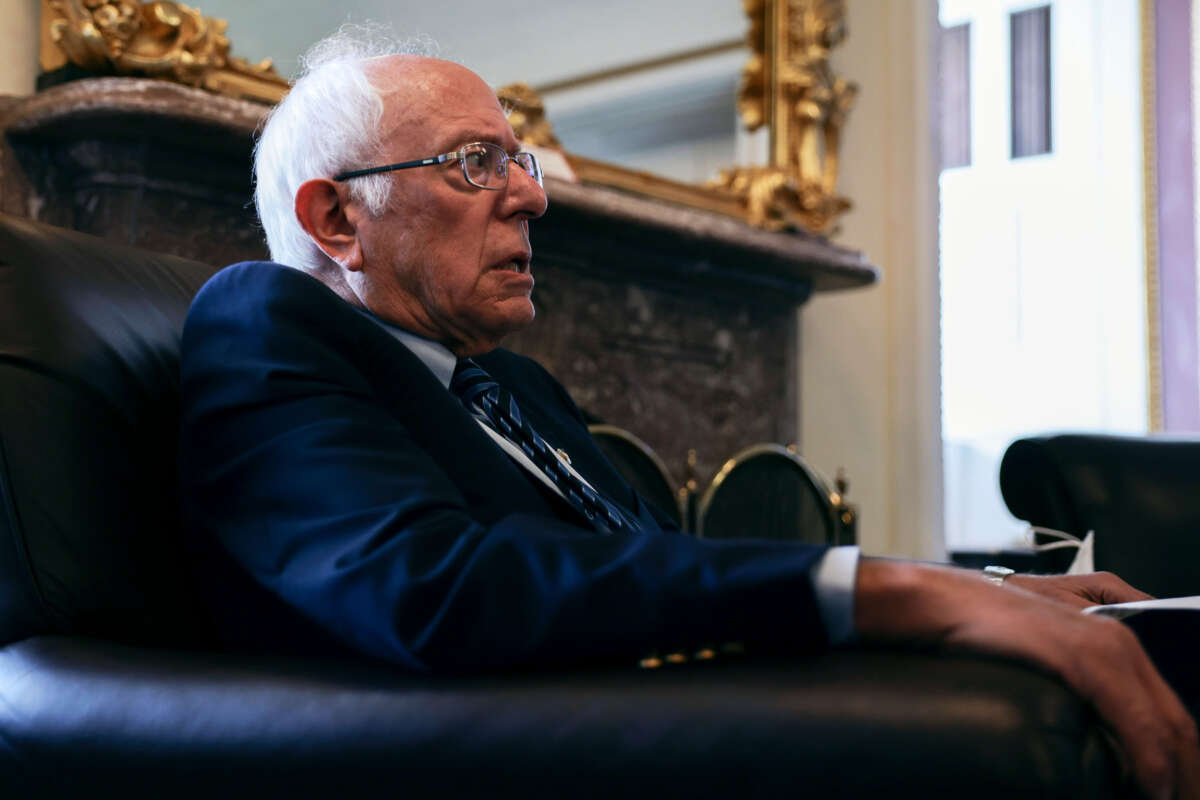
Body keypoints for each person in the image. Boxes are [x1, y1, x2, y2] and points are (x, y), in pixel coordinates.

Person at [177, 29, 1199, 799]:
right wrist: (897, 595)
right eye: (474, 164)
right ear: (336, 218)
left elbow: (663, 563)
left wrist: (965, 591)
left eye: (517, 162)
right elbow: (433, 586)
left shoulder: (514, 386)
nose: (531, 198)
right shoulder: (261, 320)